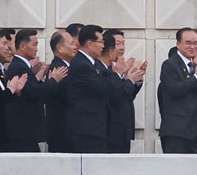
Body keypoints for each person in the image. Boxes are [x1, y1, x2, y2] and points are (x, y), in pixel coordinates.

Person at [157, 27, 197, 155]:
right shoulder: (170, 65)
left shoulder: (195, 66)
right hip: (176, 132)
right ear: (178, 44)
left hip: (195, 132)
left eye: (196, 43)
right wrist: (196, 77)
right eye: (188, 43)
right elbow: (175, 90)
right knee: (176, 171)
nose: (193, 47)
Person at [60, 25, 114, 154]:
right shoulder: (81, 65)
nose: (103, 46)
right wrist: (116, 73)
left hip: (94, 128)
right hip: (86, 130)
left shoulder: (91, 63)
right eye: (101, 42)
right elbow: (103, 87)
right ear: (90, 43)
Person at [101, 29, 145, 154]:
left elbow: (127, 96)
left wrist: (136, 79)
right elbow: (114, 94)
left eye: (123, 43)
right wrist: (125, 78)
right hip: (110, 130)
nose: (121, 47)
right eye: (117, 43)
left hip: (124, 128)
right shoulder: (105, 68)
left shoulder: (122, 66)